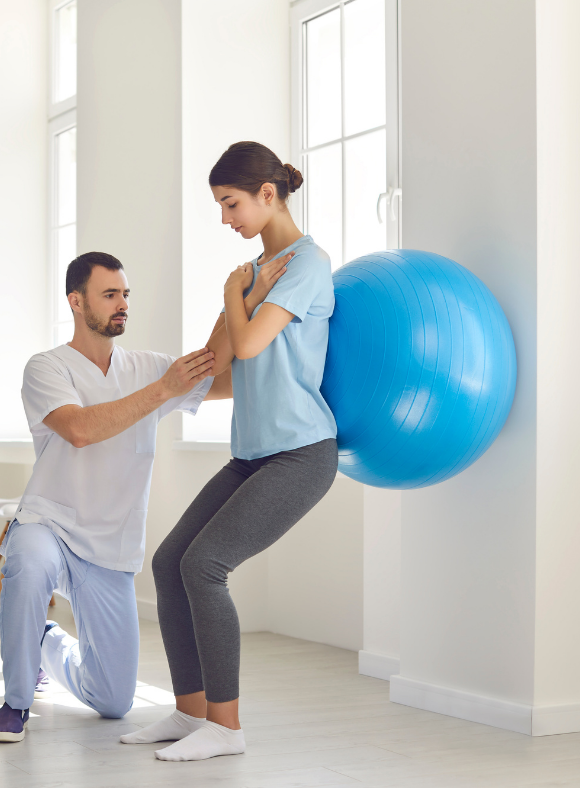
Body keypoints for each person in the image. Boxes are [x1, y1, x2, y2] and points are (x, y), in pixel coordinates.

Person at [124, 141, 339, 761]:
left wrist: (231, 292)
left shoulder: (308, 264)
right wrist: (239, 290)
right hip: (252, 454)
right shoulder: (253, 273)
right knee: (170, 563)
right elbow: (219, 359)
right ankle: (191, 714)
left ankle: (227, 726)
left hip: (301, 453)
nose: (226, 219)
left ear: (267, 195)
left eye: (231, 203)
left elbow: (248, 347)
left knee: (205, 566)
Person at [0, 251, 233, 742]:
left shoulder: (148, 367)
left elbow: (218, 376)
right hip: (48, 522)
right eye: (109, 295)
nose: (122, 304)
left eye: (125, 295)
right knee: (29, 567)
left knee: (115, 702)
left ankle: (46, 642)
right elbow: (78, 429)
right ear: (76, 302)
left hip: (110, 543)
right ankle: (15, 703)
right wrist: (163, 391)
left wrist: (233, 307)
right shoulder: (46, 367)